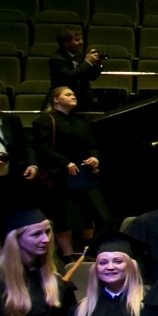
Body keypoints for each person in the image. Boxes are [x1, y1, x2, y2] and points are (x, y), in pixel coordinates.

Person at [32, 84, 105, 257]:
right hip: (60, 174)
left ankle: (87, 252)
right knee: (64, 216)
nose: (73, 96)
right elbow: (42, 147)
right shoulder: (45, 120)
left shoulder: (80, 122)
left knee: (89, 214)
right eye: (68, 94)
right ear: (56, 99)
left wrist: (94, 158)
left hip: (82, 174)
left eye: (73, 94)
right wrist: (65, 162)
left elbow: (92, 145)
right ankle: (68, 255)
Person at [0, 82, 36, 259]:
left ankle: (12, 261)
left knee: (11, 224)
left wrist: (32, 165)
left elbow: (26, 146)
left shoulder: (11, 120)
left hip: (10, 181)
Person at [48, 26, 104, 108]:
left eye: (81, 39)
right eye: (77, 40)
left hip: (82, 98)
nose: (81, 42)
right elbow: (70, 77)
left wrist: (97, 65)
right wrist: (87, 62)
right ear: (66, 43)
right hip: (65, 100)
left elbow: (91, 77)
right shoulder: (57, 59)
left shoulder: (79, 56)